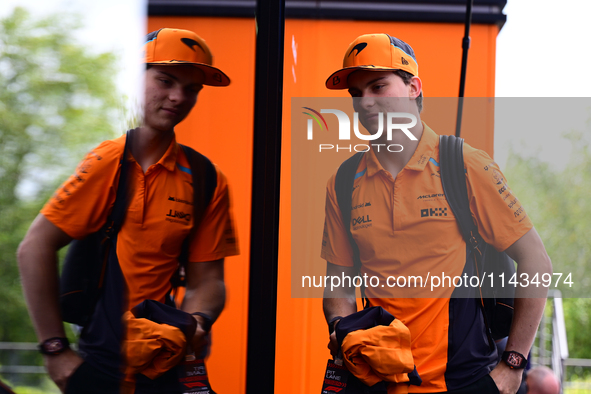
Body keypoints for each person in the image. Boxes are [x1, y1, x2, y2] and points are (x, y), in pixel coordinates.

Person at [321, 33, 552, 394]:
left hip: (462, 382)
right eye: (356, 93)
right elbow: (337, 281)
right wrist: (340, 328)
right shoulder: (344, 180)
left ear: (413, 87)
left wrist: (513, 365)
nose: (365, 102)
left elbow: (536, 261)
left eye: (378, 86)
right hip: (375, 382)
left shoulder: (464, 165)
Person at [17, 28, 238, 393]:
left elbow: (208, 280)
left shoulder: (206, 178)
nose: (177, 97)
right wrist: (55, 350)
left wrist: (197, 321)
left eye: (192, 88)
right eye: (165, 80)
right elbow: (33, 248)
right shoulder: (111, 162)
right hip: (102, 365)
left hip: (169, 366)